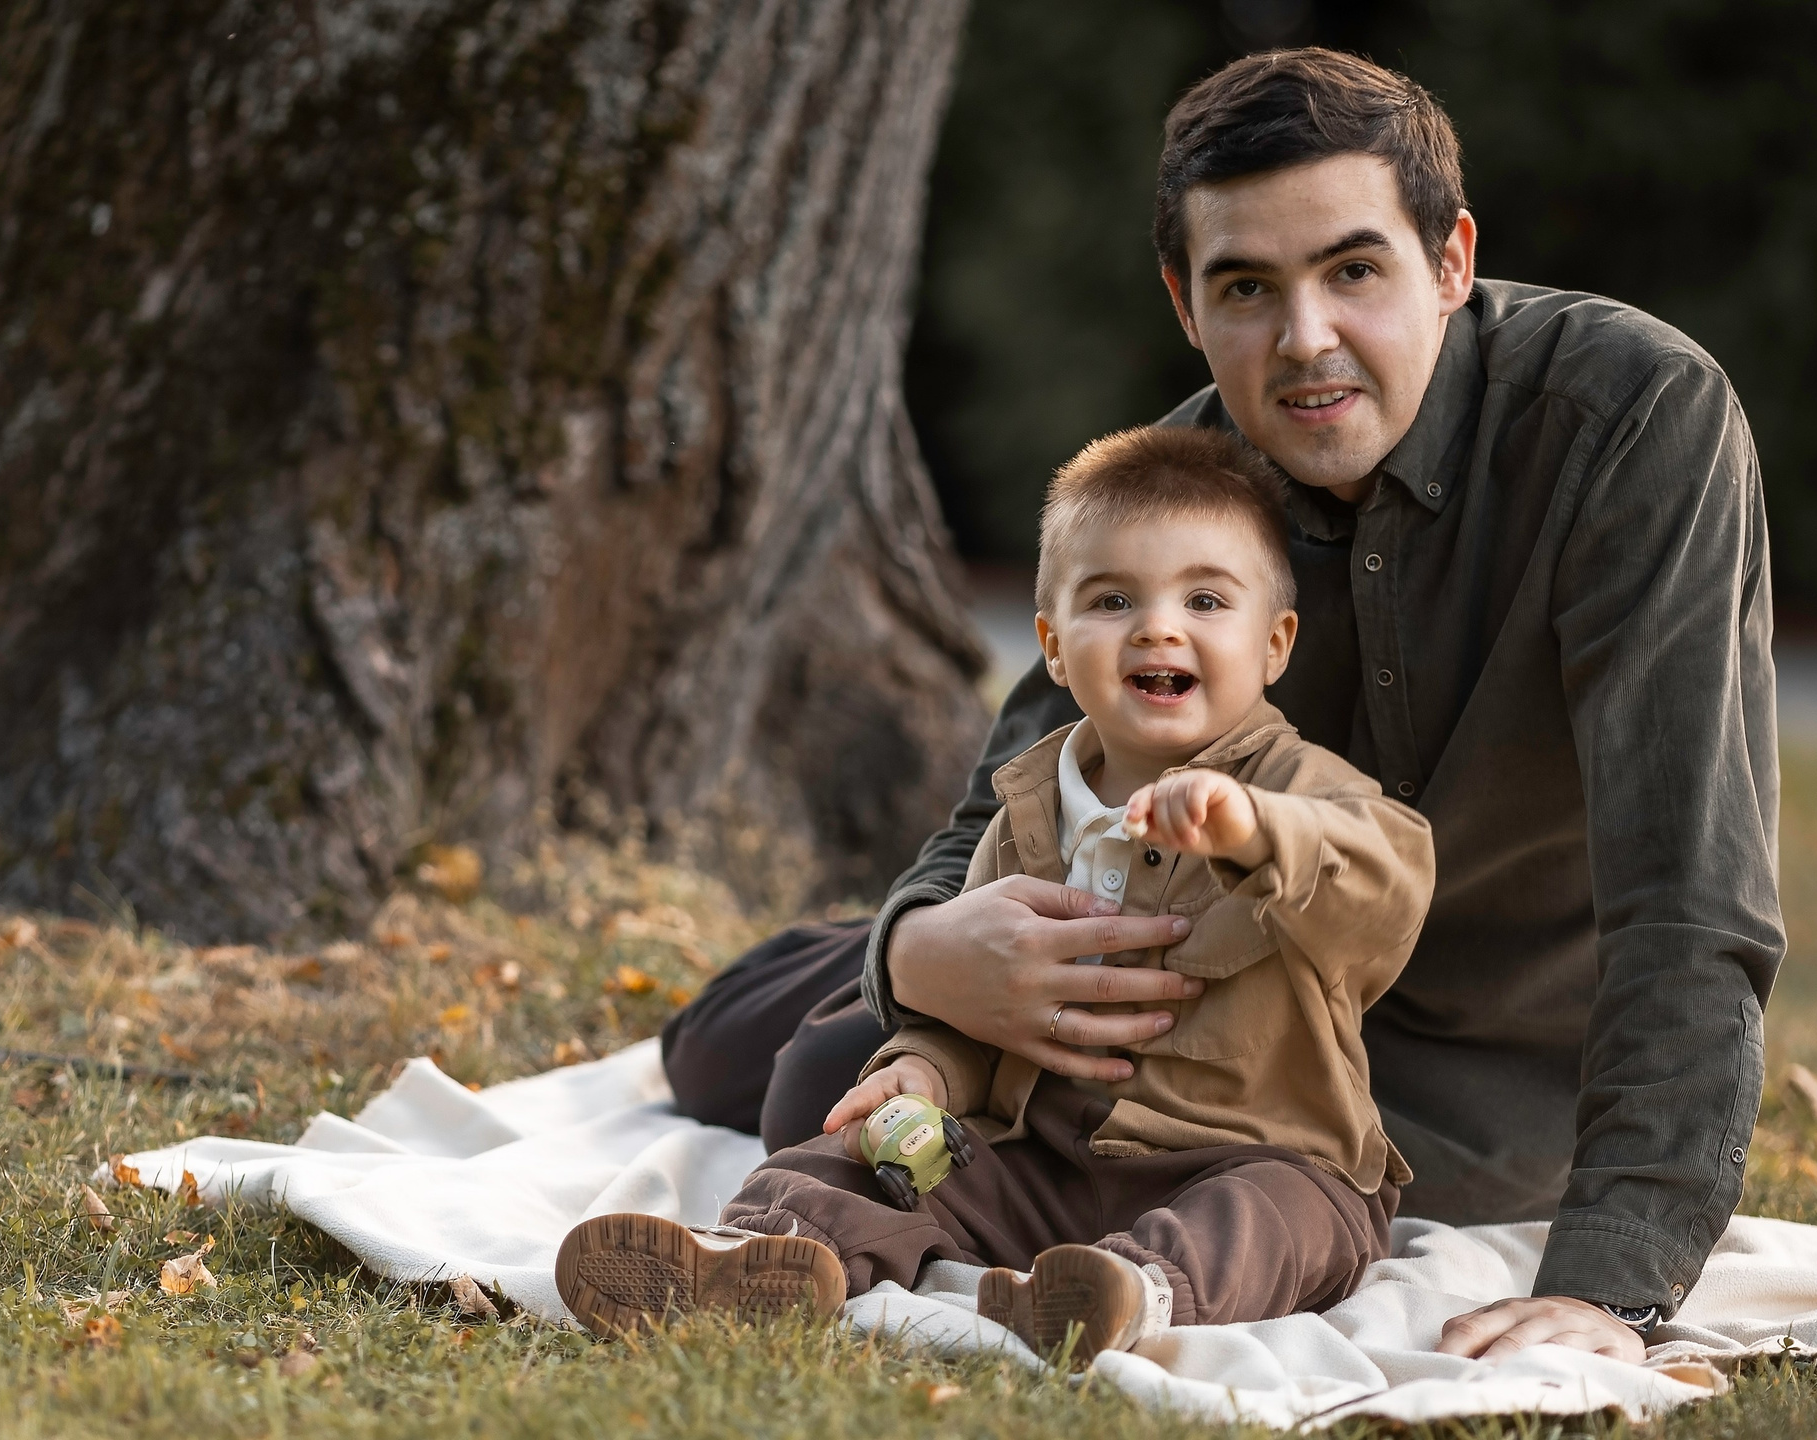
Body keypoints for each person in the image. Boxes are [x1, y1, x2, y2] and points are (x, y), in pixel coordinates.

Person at [659, 47, 1781, 1362]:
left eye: (1353, 271)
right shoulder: (1191, 475)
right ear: (1185, 303)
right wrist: (916, 952)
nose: (1305, 340)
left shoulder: (1631, 422)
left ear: (1451, 261)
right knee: (777, 1062)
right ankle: (815, 976)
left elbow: (1688, 891)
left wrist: (1614, 1283)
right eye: (1247, 287)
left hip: (1457, 1077)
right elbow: (1012, 787)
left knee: (828, 1074)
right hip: (1183, 975)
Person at [558, 426, 1434, 1364]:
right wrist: (924, 1069)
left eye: (1206, 600)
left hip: (1249, 1152)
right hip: (1041, 1155)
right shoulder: (1030, 808)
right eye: (1112, 601)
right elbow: (977, 1009)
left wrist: (1260, 830)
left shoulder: (1304, 791)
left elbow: (1389, 884)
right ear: (1053, 647)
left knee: (1274, 1216)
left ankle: (1131, 1294)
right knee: (870, 1153)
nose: (1158, 628)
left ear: (1275, 644)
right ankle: (761, 1254)